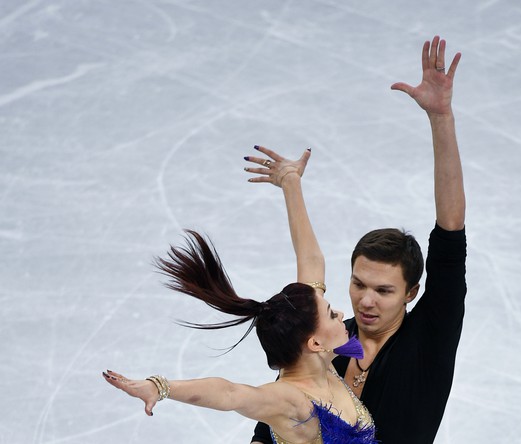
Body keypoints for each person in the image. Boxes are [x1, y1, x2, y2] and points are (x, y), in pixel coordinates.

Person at [247, 35, 466, 444]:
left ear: (411, 292)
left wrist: (441, 118)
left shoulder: (428, 338)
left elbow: (451, 232)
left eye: (383, 290)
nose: (366, 301)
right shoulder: (328, 338)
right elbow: (276, 414)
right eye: (358, 283)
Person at [103, 225, 377, 443]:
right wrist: (161, 387)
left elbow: (312, 261)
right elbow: (230, 393)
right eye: (331, 314)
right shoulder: (293, 401)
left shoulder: (318, 361)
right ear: (315, 343)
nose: (341, 313)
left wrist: (291, 185)